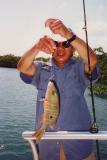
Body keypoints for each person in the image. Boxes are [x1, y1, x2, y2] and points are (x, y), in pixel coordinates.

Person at [17, 18, 99, 160]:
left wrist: (68, 34)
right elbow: (22, 67)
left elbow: (92, 61)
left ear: (73, 47)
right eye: (56, 44)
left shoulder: (79, 68)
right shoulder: (40, 68)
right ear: (51, 47)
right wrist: (37, 47)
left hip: (80, 146)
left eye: (66, 44)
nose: (60, 49)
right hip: (47, 147)